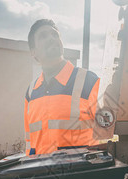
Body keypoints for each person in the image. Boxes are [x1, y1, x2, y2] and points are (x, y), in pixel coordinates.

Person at [24, 19, 100, 155]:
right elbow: (29, 142)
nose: (51, 39)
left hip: (82, 174)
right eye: (43, 36)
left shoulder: (89, 81)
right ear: (33, 52)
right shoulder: (31, 92)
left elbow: (107, 134)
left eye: (55, 35)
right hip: (41, 173)